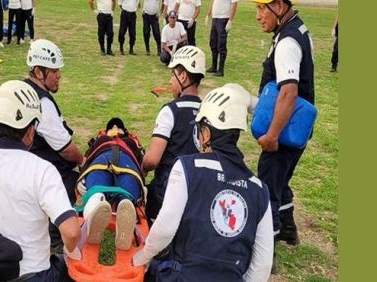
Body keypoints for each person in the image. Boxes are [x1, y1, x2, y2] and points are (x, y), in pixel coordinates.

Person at [133, 83, 274, 282]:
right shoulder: (259, 189)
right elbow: (263, 265)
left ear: (206, 133)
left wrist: (142, 257)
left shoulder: (186, 168)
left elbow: (164, 229)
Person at [0, 80, 81, 282]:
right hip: (36, 276)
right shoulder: (42, 169)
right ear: (30, 130)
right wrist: (71, 253)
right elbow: (71, 232)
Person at [253, 0, 315, 273]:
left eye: (262, 8)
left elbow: (288, 93)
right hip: (297, 128)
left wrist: (272, 136)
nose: (257, 16)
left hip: (285, 131)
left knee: (267, 185)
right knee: (281, 178)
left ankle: (268, 255)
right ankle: (289, 229)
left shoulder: (288, 42)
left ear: (279, 5)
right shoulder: (297, 28)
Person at [24, 39, 85, 254]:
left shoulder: (27, 91)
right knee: (76, 185)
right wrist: (83, 161)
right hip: (47, 170)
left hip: (29, 164)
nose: (59, 75)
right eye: (54, 71)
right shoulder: (43, 103)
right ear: (39, 71)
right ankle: (57, 243)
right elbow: (65, 148)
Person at [143, 45, 205, 227]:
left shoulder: (170, 111)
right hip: (198, 194)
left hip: (168, 193)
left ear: (183, 75)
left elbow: (152, 160)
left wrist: (142, 169)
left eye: (173, 74)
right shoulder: (208, 110)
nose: (171, 80)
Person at [75, 117, 145, 250]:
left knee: (96, 192)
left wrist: (83, 180)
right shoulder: (131, 142)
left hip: (102, 158)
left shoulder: (100, 140)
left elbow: (85, 161)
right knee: (127, 196)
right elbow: (142, 167)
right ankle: (124, 204)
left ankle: (96, 205)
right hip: (126, 161)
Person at [204, 0, 238, 77]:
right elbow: (212, 1)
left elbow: (234, 4)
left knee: (221, 45)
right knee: (213, 43)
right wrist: (208, 14)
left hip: (223, 19)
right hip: (215, 18)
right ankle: (214, 66)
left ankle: (220, 70)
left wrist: (230, 20)